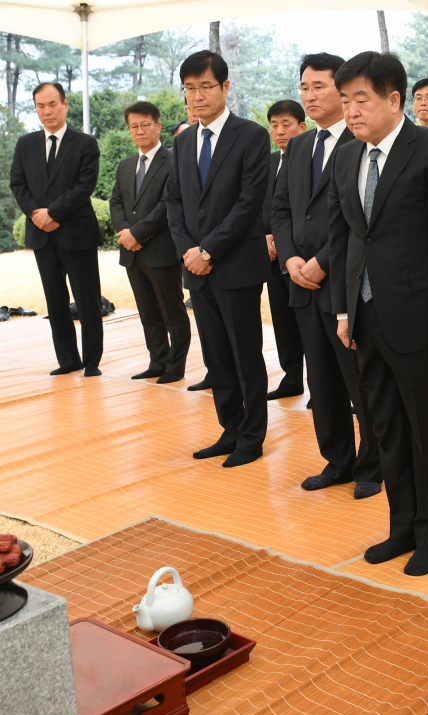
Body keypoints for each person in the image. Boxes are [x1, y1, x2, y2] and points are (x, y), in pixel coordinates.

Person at [327, 51, 428, 575]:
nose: (351, 111)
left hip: (421, 319)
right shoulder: (347, 156)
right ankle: (403, 526)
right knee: (386, 428)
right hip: (365, 318)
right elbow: (346, 236)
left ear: (393, 99)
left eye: (360, 99)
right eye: (344, 101)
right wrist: (345, 309)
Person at [272, 53, 383, 500]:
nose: (309, 95)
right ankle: (337, 459)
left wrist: (321, 260)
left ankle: (373, 466)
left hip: (346, 286)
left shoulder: (360, 144)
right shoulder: (298, 146)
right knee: (321, 380)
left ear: (342, 91)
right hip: (301, 283)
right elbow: (280, 209)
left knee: (361, 381)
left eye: (319, 86)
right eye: (304, 86)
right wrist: (292, 261)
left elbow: (362, 221)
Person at [165, 50, 272, 468]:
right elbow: (174, 202)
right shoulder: (184, 139)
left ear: (225, 87)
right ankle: (230, 428)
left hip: (235, 266)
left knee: (246, 355)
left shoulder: (251, 136)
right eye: (190, 89)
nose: (197, 96)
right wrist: (189, 251)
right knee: (215, 357)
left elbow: (249, 204)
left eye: (205, 87)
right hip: (196, 268)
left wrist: (208, 249)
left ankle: (253, 437)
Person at [9, 82, 104, 376]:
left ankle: (91, 362)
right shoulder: (26, 144)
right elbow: (18, 184)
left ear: (65, 105)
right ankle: (68, 359)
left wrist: (52, 212)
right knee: (55, 301)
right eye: (41, 106)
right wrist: (37, 215)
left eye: (52, 104)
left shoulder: (86, 143)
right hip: (42, 235)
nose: (47, 111)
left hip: (76, 234)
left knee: (87, 300)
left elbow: (84, 186)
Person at [110, 101, 190, 385]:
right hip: (132, 252)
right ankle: (157, 360)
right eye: (134, 126)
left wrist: (137, 233)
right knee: (147, 312)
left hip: (161, 250)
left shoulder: (173, 161)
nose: (140, 131)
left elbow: (166, 204)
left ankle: (175, 365)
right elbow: (116, 201)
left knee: (172, 311)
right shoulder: (126, 164)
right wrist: (124, 232)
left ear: (157, 126)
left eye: (146, 125)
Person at [264, 99, 307, 401]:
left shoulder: (310, 160)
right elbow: (254, 205)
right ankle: (292, 378)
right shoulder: (266, 162)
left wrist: (285, 243)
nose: (279, 131)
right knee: (282, 321)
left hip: (301, 257)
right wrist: (264, 237)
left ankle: (325, 389)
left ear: (302, 127)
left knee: (310, 325)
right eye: (274, 125)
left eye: (286, 124)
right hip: (269, 256)